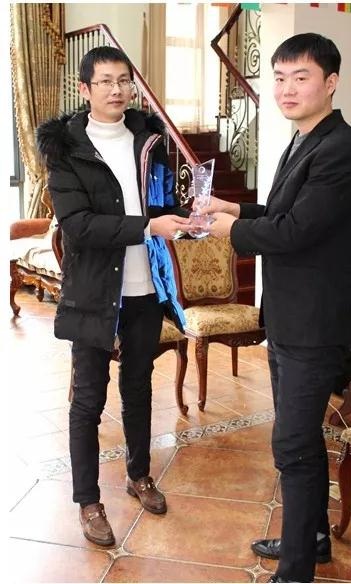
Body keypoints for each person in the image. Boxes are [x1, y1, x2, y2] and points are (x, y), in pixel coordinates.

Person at [199, 33, 351, 583]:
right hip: (290, 316)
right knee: (301, 439)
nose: (287, 89)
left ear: (331, 82)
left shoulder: (341, 149)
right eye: (279, 78)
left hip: (314, 323)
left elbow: (294, 232)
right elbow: (284, 212)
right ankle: (312, 538)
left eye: (301, 77)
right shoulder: (306, 139)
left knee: (293, 443)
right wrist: (236, 208)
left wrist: (230, 231)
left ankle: (296, 570)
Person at [36, 47, 191, 546]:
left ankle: (139, 474)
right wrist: (147, 225)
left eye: (124, 80)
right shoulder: (67, 150)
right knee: (88, 400)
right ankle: (88, 502)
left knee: (139, 387)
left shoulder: (148, 142)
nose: (117, 90)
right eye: (104, 81)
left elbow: (160, 204)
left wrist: (185, 215)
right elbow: (78, 226)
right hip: (94, 292)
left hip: (145, 289)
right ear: (85, 89)